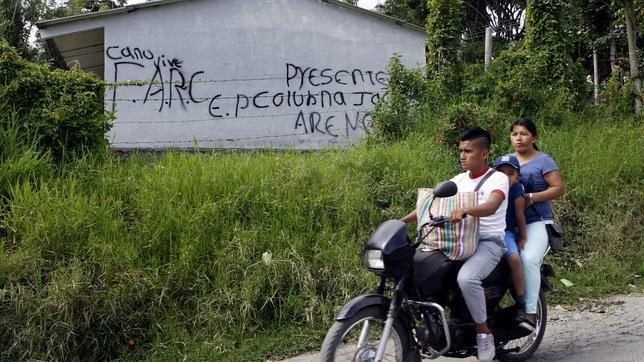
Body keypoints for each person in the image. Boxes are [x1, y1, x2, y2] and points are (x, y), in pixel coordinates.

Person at [401, 127, 507, 362]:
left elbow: (491, 206)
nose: (462, 155)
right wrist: (401, 221)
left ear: (484, 154)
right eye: (460, 151)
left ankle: (483, 332)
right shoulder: (456, 180)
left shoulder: (498, 178)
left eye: (468, 151)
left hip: (487, 242)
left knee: (466, 278)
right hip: (456, 241)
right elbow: (429, 207)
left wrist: (466, 209)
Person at [509, 118, 564, 329]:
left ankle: (530, 313)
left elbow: (558, 189)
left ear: (534, 137)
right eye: (515, 134)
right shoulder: (506, 162)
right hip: (509, 224)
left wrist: (531, 197)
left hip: (537, 222)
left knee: (529, 259)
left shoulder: (544, 161)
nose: (519, 138)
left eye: (523, 134)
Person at [492, 155, 529, 327]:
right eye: (500, 172)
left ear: (517, 177)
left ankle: (521, 302)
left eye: (510, 173)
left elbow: (520, 214)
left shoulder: (517, 189)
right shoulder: (487, 187)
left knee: (513, 258)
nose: (505, 177)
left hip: (505, 231)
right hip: (486, 231)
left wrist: (522, 237)